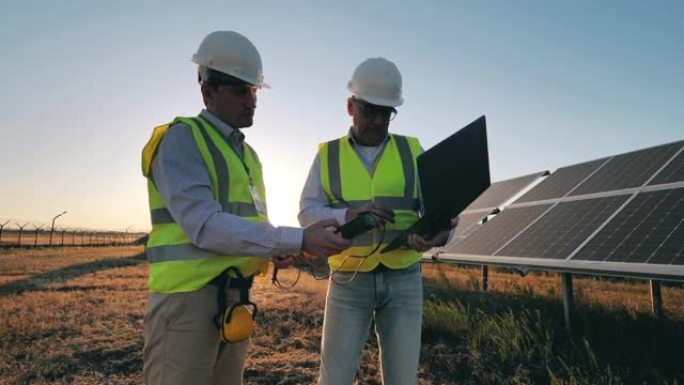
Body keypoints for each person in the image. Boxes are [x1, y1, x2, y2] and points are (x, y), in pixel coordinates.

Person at [141, 30, 350, 385]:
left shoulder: (247, 155)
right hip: (187, 303)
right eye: (240, 90)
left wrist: (275, 253)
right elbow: (204, 225)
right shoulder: (181, 138)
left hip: (235, 298)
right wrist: (296, 240)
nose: (251, 99)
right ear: (207, 90)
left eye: (253, 90)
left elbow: (246, 224)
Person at [298, 57, 453, 385]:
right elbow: (307, 212)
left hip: (404, 279)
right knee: (335, 377)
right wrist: (345, 216)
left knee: (403, 378)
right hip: (348, 280)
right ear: (350, 106)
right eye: (370, 110)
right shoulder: (328, 155)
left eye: (387, 112)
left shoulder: (412, 150)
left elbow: (441, 214)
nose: (379, 120)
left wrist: (435, 235)